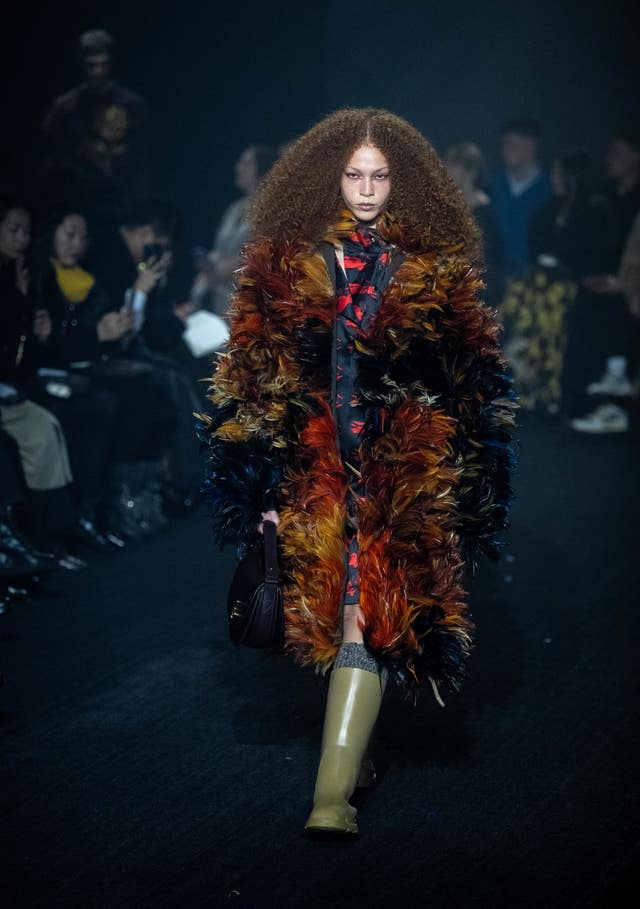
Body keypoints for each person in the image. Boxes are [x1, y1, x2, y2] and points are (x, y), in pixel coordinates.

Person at [197, 108, 517, 835]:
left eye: (379, 175)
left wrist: (471, 488)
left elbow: (478, 385)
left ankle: (330, 795)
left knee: (364, 616)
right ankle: (349, 772)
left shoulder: (434, 270)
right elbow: (252, 376)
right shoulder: (288, 264)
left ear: (404, 183)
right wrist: (256, 484)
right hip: (317, 471)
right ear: (327, 176)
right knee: (341, 616)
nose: (367, 189)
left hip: (399, 473)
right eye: (353, 174)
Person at [41, 29, 148, 228]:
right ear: (82, 64)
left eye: (103, 65)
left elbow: (143, 159)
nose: (97, 72)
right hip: (77, 208)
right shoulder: (64, 108)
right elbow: (50, 161)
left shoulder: (132, 105)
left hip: (122, 207)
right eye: (92, 65)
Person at [572, 130, 640, 433]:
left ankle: (616, 401)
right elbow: (605, 247)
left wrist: (625, 283)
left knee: (615, 307)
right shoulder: (607, 198)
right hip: (619, 282)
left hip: (631, 287)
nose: (610, 159)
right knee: (586, 304)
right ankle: (601, 405)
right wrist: (601, 276)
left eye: (618, 152)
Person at [191, 145, 279, 318]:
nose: (239, 168)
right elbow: (220, 248)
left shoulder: (271, 210)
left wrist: (223, 268)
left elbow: (262, 252)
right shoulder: (234, 209)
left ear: (262, 170)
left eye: (246, 164)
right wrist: (209, 262)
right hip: (221, 297)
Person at [445, 141, 504, 306]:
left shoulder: (485, 213)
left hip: (476, 294)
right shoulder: (446, 208)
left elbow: (488, 259)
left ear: (470, 173)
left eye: (452, 168)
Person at [490, 119, 552, 272]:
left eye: (511, 144)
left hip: (533, 276)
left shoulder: (550, 189)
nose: (505, 151)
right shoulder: (492, 186)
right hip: (495, 276)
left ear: (531, 144)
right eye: (503, 145)